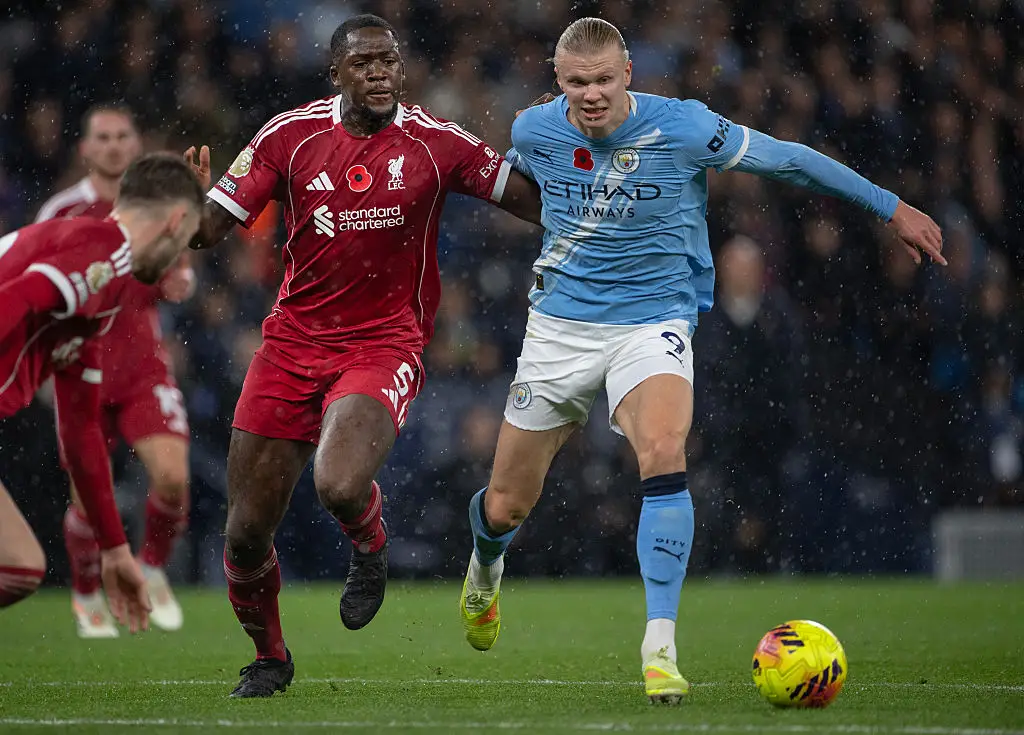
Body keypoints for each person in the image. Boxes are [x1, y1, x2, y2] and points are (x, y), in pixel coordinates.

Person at [457, 17, 945, 705]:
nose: (591, 95)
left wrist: (889, 206)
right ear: (557, 81)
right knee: (507, 503)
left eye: (603, 80)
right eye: (576, 83)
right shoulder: (535, 132)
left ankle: (659, 645)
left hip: (654, 321)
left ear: (628, 73)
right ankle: (484, 567)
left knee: (663, 448)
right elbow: (536, 196)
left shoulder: (684, 127)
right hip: (561, 327)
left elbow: (789, 158)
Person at [184, 14, 541, 698]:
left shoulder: (436, 142)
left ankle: (370, 542)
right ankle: (270, 658)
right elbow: (207, 230)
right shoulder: (288, 136)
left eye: (390, 61)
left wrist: (591, 186)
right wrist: (183, 200)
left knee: (339, 482)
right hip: (291, 342)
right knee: (245, 533)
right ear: (337, 72)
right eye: (364, 62)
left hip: (384, 341)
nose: (380, 72)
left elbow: (532, 201)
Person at [0, 152, 204, 635]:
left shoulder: (105, 289)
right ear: (175, 222)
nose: (181, 254)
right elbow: (18, 299)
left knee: (20, 568)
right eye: (186, 238)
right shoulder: (103, 251)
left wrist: (115, 551)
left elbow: (81, 432)